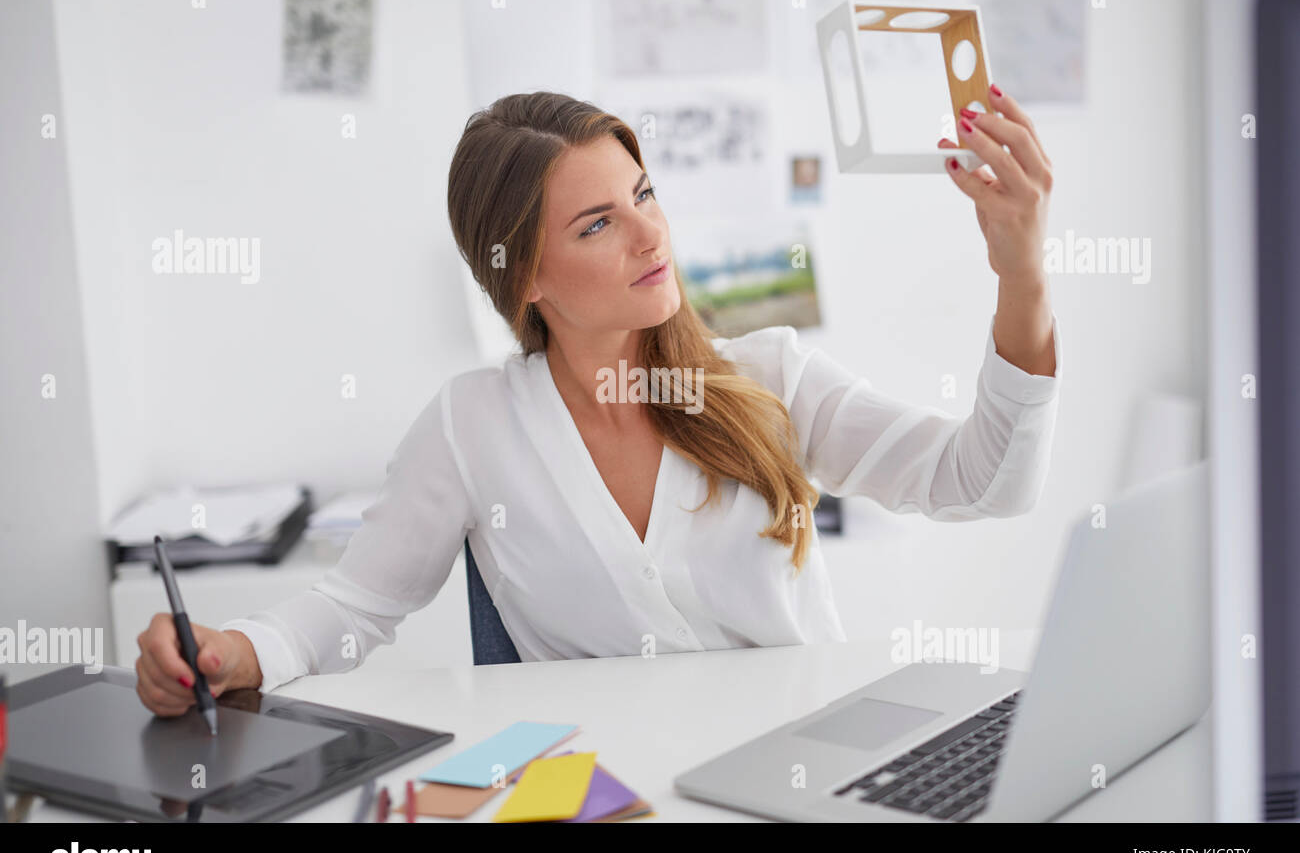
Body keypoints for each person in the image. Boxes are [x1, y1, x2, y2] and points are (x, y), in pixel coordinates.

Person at [135, 87, 1060, 717]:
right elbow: (353, 607)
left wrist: (1020, 276)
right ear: (525, 275)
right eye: (598, 222)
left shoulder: (766, 377)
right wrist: (234, 652)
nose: (649, 230)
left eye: (644, 192)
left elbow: (984, 482)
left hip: (804, 777)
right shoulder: (472, 426)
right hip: (617, 799)